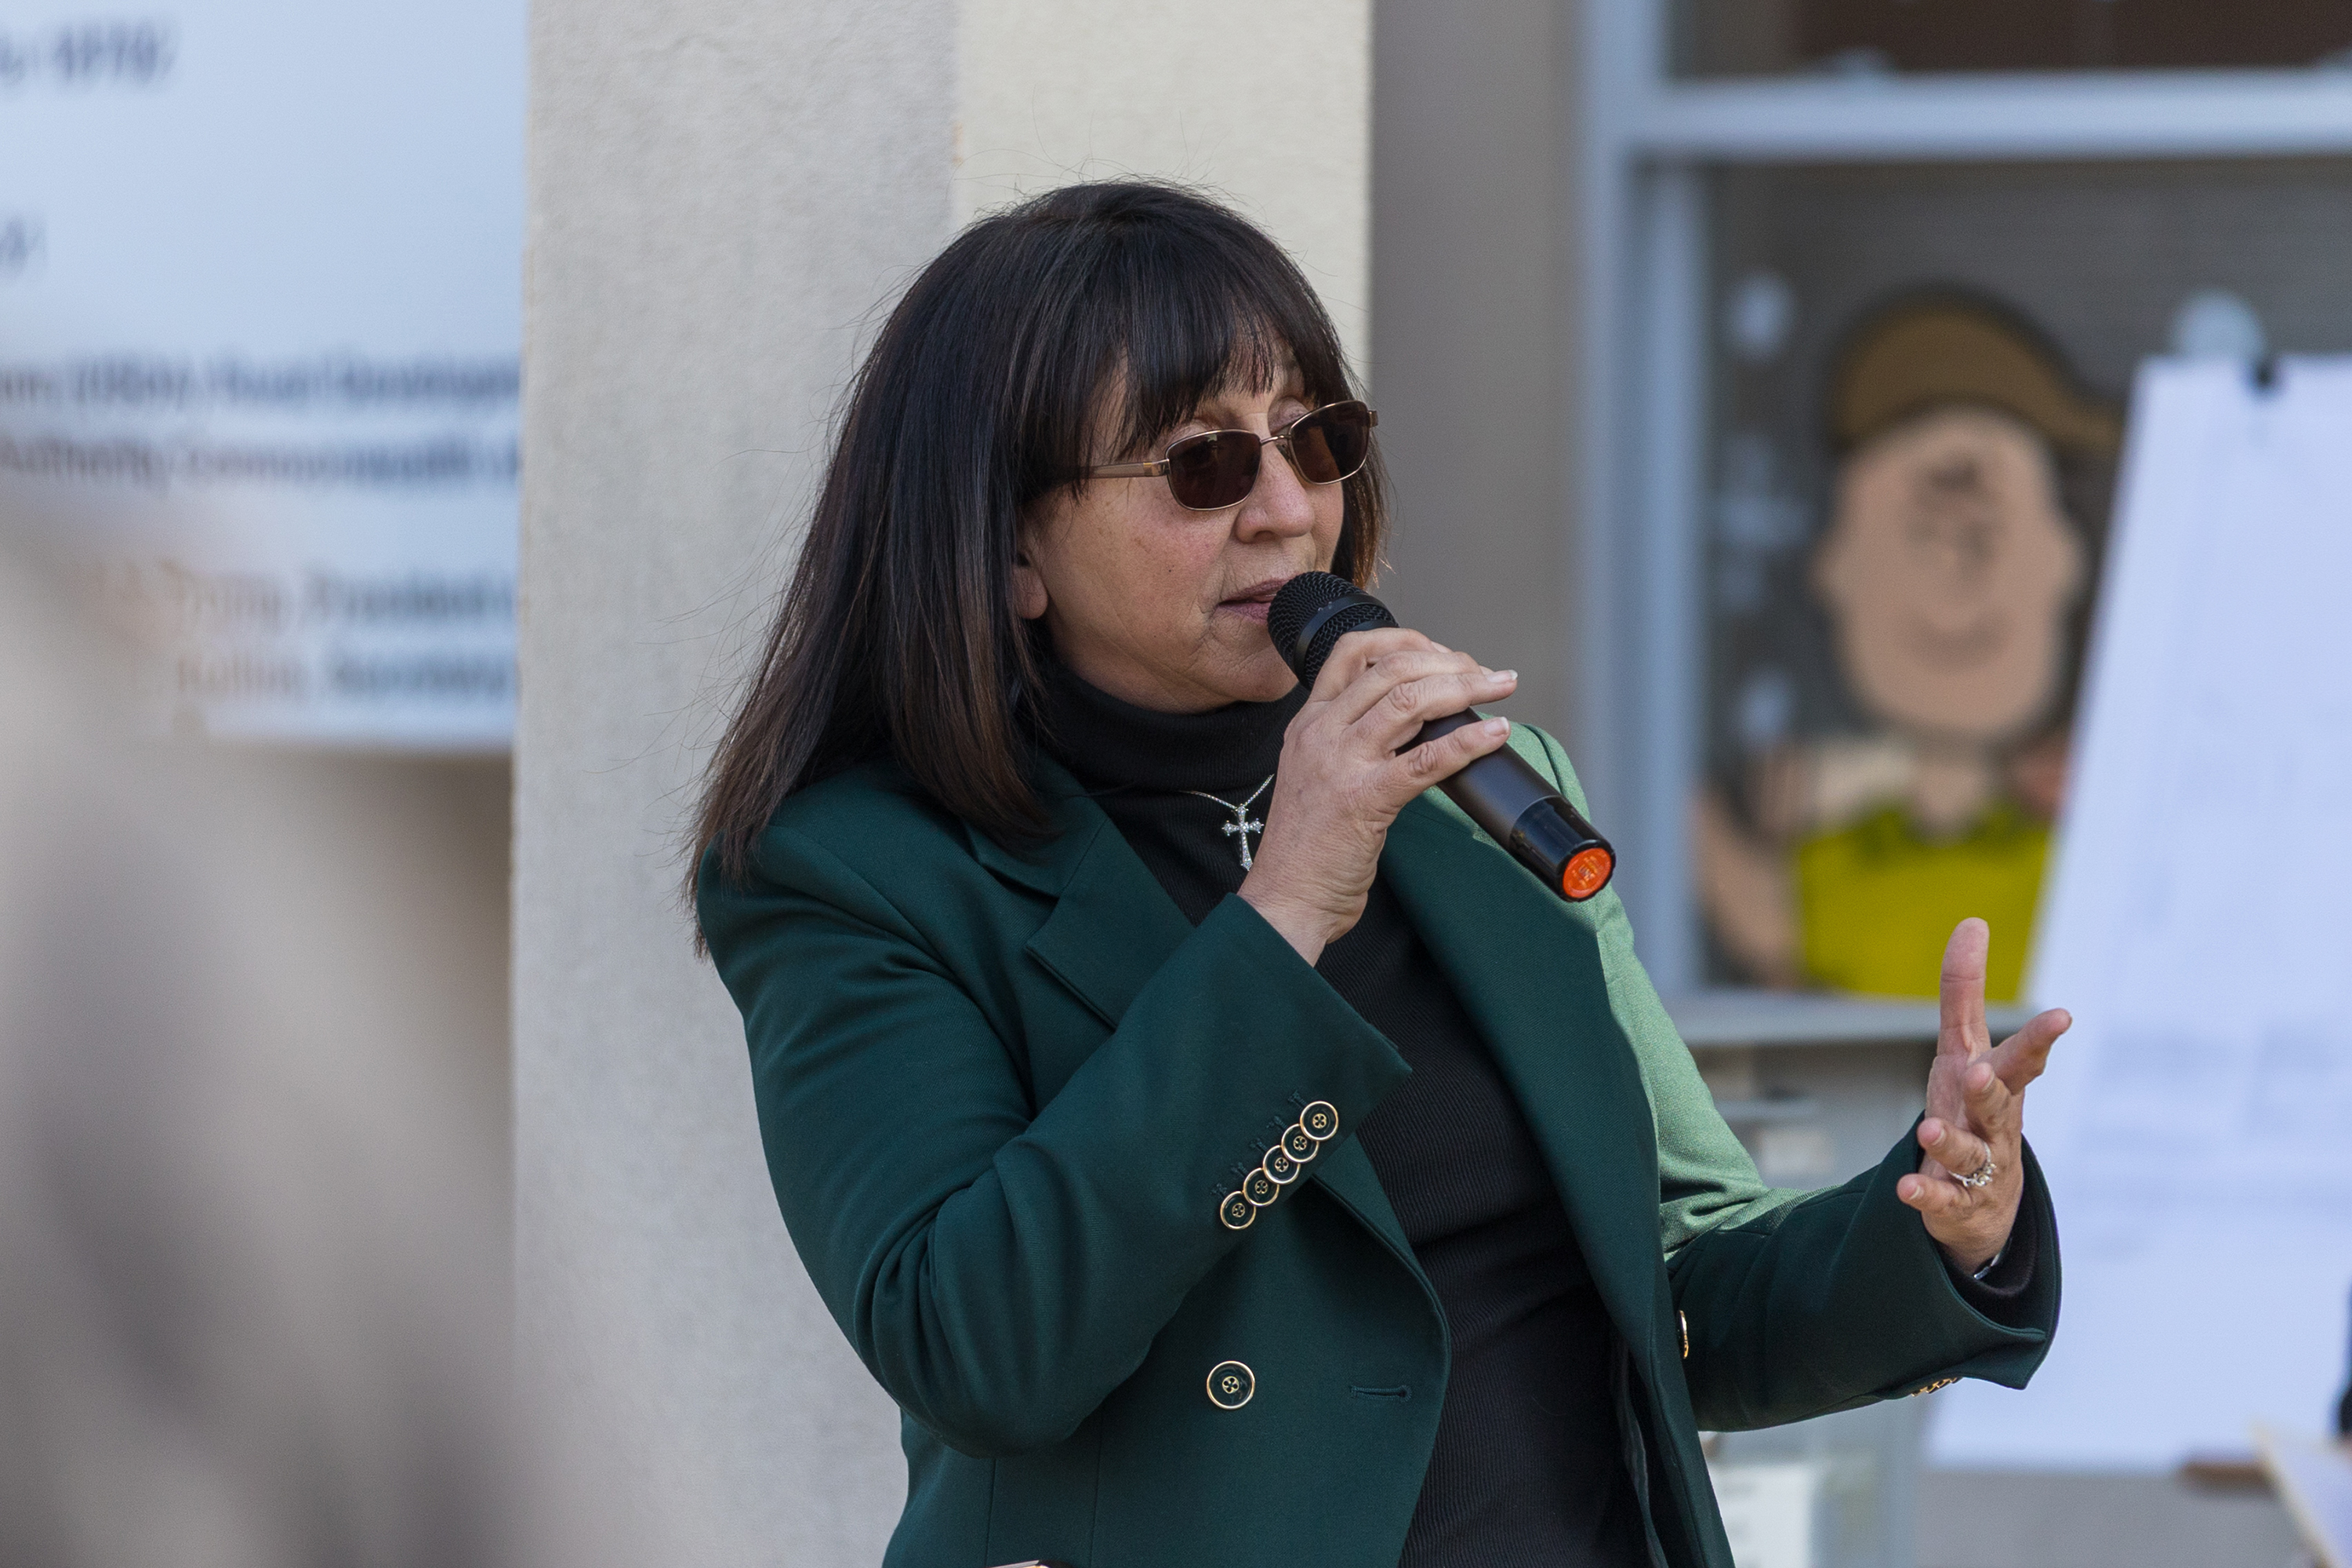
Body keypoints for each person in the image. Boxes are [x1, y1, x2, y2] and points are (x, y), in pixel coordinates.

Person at [691, 182, 2068, 1568]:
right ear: (1009, 549)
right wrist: (1285, 910)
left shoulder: (1478, 789)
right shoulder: (861, 872)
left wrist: (1942, 1224)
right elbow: (981, 1345)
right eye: (1200, 465)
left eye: (1315, 440)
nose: (1286, 512)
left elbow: (1677, 1274)